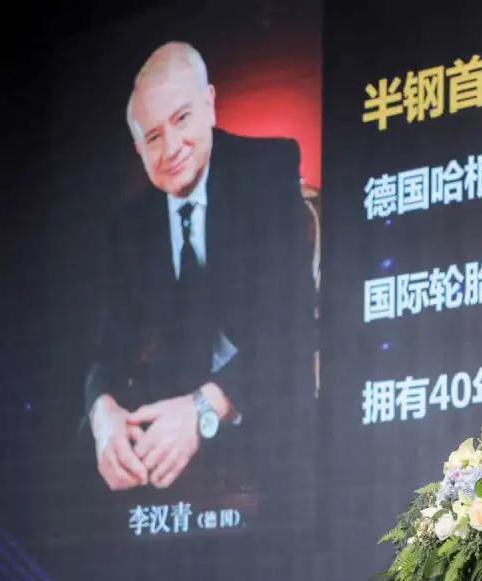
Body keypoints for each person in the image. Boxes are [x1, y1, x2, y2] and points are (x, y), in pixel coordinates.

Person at [85, 41, 314, 496]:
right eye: (153, 137)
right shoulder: (130, 224)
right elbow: (108, 346)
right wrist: (101, 412)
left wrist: (204, 408)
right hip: (166, 438)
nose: (171, 148)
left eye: (182, 119)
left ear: (210, 104)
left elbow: (292, 323)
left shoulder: (267, 169)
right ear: (138, 148)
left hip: (264, 410)